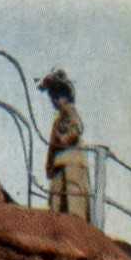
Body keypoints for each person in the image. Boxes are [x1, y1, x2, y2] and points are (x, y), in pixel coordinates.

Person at [38, 68, 91, 221]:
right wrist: (49, 165)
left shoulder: (69, 111)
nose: (54, 100)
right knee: (56, 202)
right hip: (59, 164)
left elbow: (77, 128)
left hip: (72, 162)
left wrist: (63, 139)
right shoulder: (60, 116)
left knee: (74, 201)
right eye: (53, 95)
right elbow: (53, 146)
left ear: (66, 96)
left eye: (58, 95)